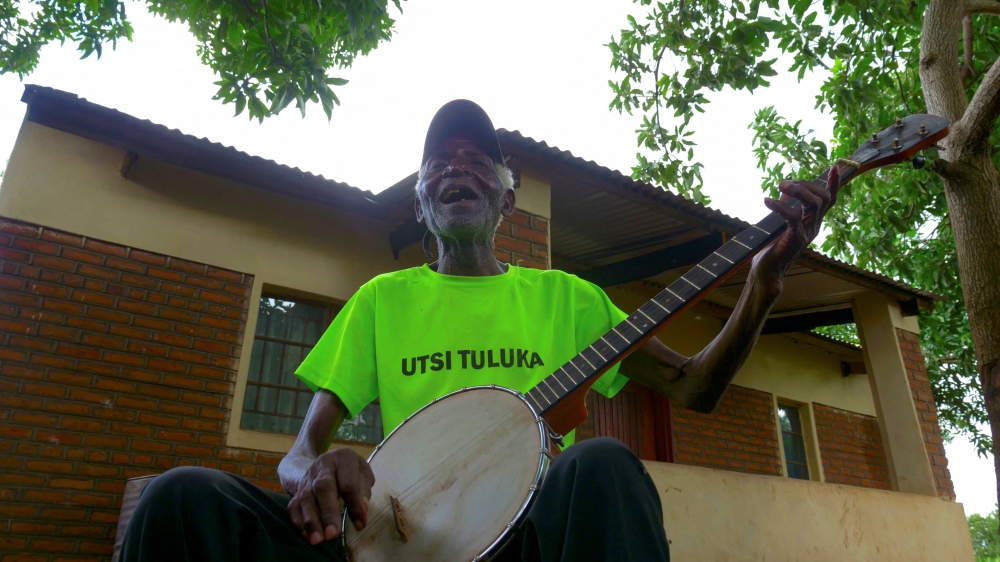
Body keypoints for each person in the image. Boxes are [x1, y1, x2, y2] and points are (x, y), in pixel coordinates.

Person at [121, 100, 840, 562]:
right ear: (421, 200)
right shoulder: (382, 298)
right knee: (182, 499)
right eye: (439, 163)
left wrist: (762, 286)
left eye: (475, 159)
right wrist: (317, 471)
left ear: (507, 192)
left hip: (524, 537)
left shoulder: (570, 298)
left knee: (602, 466)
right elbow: (300, 452)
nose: (455, 167)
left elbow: (694, 387)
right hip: (391, 536)